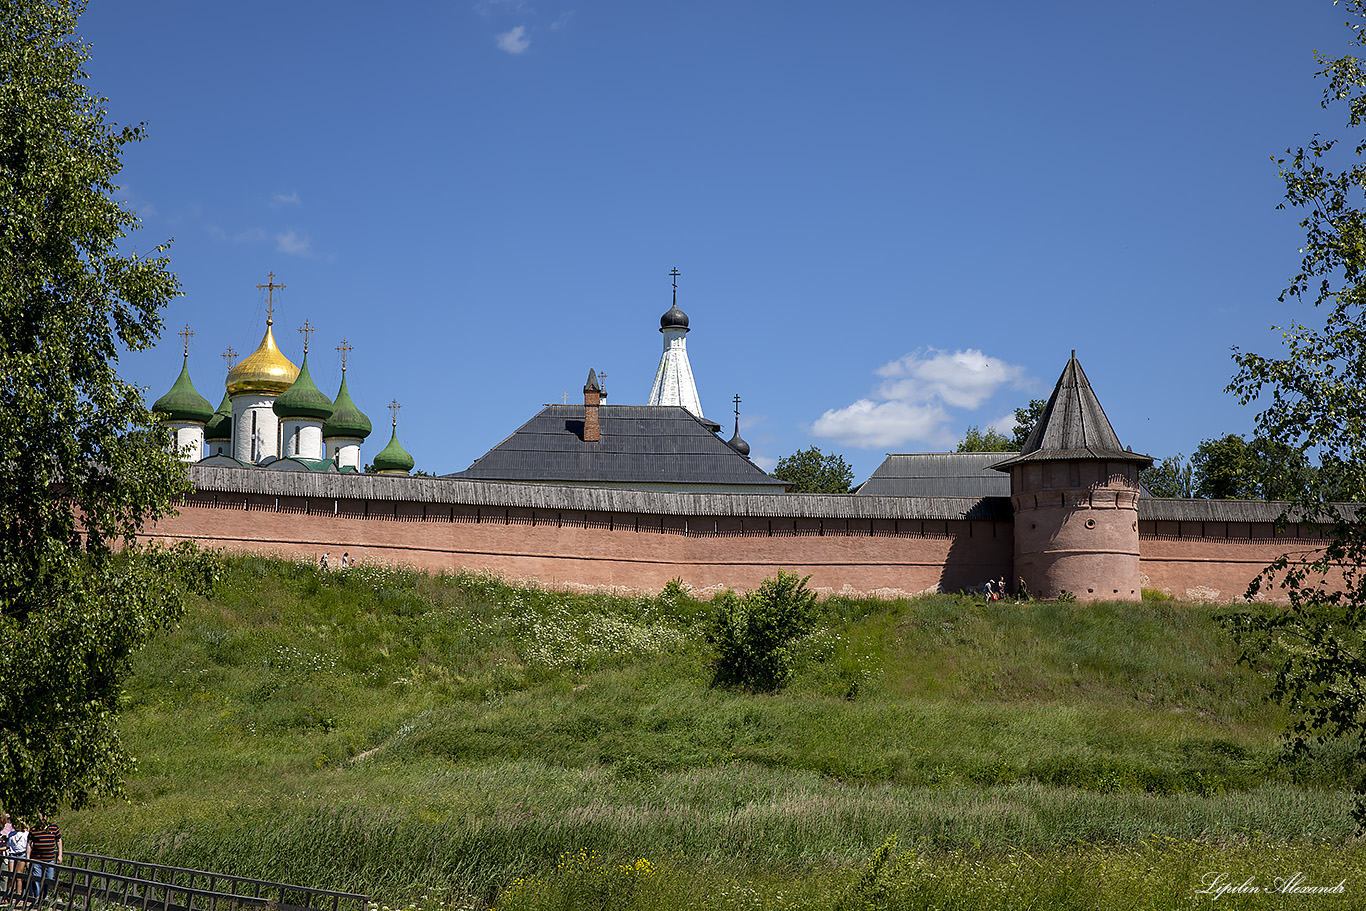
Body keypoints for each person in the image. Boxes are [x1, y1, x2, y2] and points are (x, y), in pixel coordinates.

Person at [26, 816, 60, 906]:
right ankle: (37, 900)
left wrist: (60, 854)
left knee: (49, 879)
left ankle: (44, 898)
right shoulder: (34, 829)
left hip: (49, 859)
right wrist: (28, 859)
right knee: (37, 879)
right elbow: (28, 844)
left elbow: (59, 840)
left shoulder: (54, 828)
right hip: (36, 859)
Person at [6, 818, 28, 904]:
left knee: (19, 876)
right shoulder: (11, 834)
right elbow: (9, 845)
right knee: (11, 875)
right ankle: (8, 894)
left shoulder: (26, 834)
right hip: (12, 854)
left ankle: (18, 896)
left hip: (21, 854)